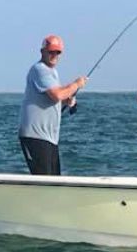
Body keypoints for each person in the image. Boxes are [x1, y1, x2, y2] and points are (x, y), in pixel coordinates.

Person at [18, 35, 88, 175]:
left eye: (57, 52)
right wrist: (76, 84)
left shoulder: (52, 73)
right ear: (42, 51)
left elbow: (55, 97)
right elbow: (57, 94)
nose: (54, 55)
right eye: (51, 51)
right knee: (43, 178)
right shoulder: (40, 70)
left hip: (50, 138)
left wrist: (66, 100)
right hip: (36, 136)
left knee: (54, 179)